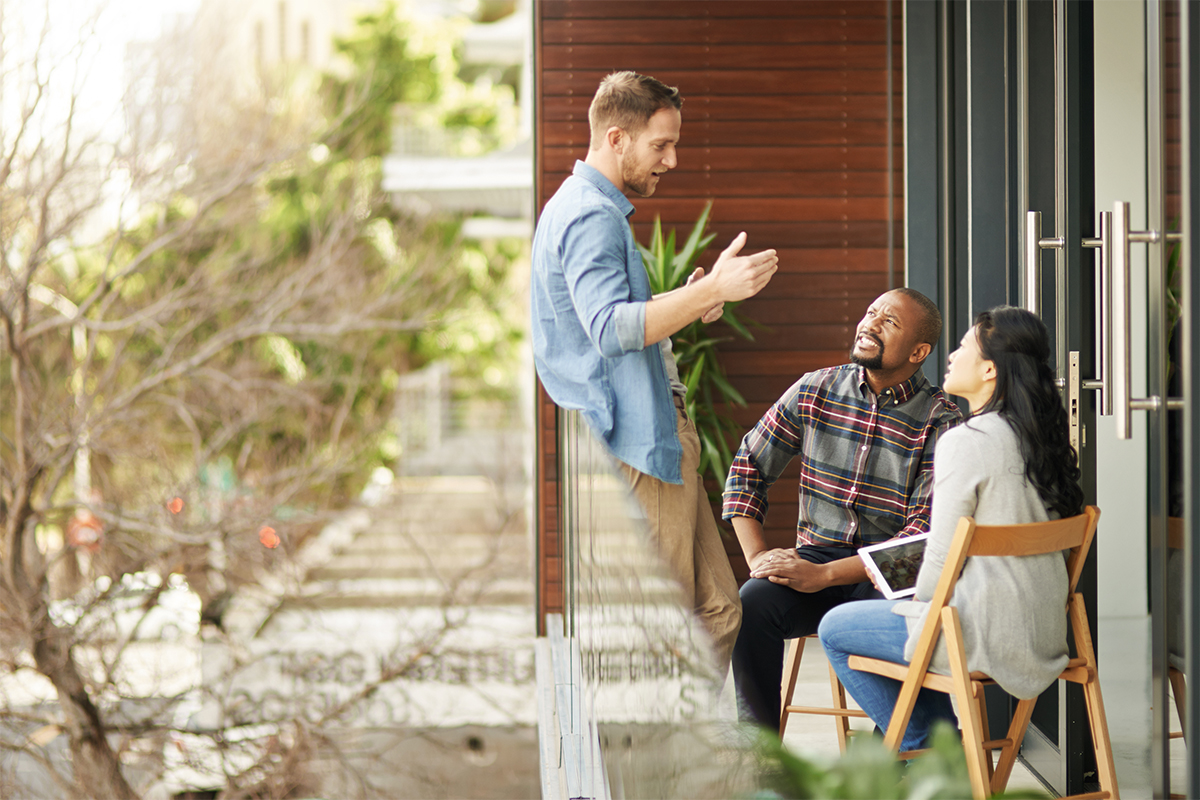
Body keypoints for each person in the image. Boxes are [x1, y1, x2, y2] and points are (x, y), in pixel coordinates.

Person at [530, 71, 779, 673]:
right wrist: (711, 290)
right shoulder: (592, 215)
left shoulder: (579, 206)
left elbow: (616, 326)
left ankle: (671, 745)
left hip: (647, 434)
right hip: (637, 439)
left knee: (719, 608)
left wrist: (695, 298)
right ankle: (650, 751)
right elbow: (612, 329)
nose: (672, 159)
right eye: (660, 145)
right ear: (617, 138)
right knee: (665, 624)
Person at [818, 306, 1084, 751]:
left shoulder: (967, 440)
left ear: (989, 369)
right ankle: (936, 752)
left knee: (835, 627)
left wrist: (913, 603)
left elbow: (939, 561)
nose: (952, 355)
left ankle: (934, 755)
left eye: (962, 346)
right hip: (1045, 634)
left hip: (979, 634)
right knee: (898, 618)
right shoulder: (1038, 436)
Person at [723, 287, 962, 727]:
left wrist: (826, 576)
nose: (870, 323)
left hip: (890, 578)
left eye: (888, 321)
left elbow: (922, 539)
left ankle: (895, 766)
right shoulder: (816, 389)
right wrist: (758, 558)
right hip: (815, 555)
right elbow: (747, 468)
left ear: (919, 351)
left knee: (909, 628)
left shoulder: (941, 422)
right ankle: (761, 765)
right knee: (752, 604)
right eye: (871, 312)